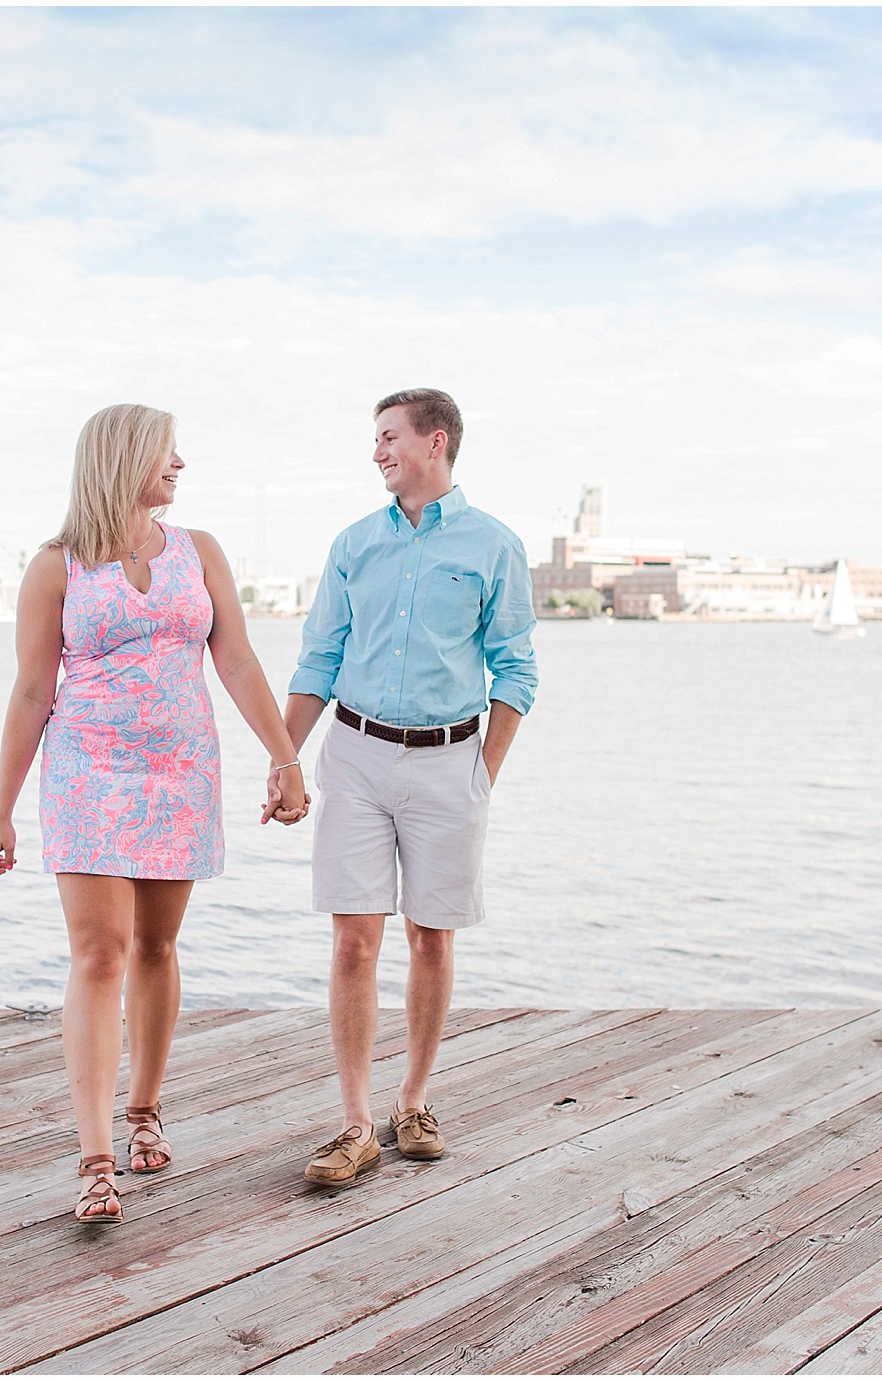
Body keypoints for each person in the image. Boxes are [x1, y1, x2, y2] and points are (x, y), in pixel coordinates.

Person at [0, 403, 309, 1225]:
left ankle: (145, 1109)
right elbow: (31, 690)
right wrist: (3, 811)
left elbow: (233, 656)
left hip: (179, 773)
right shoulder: (55, 565)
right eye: (168, 452)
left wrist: (284, 754)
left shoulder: (199, 553)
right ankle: (95, 1157)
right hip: (86, 774)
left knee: (158, 945)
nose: (180, 465)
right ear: (125, 457)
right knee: (99, 953)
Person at [277, 387, 537, 1185]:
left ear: (435, 441)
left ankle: (413, 1100)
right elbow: (318, 658)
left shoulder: (495, 545)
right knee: (354, 939)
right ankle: (355, 1123)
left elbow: (516, 669)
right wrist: (285, 758)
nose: (378, 451)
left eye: (388, 437)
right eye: (375, 439)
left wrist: (479, 775)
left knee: (432, 935)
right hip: (354, 756)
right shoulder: (354, 544)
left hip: (450, 761)